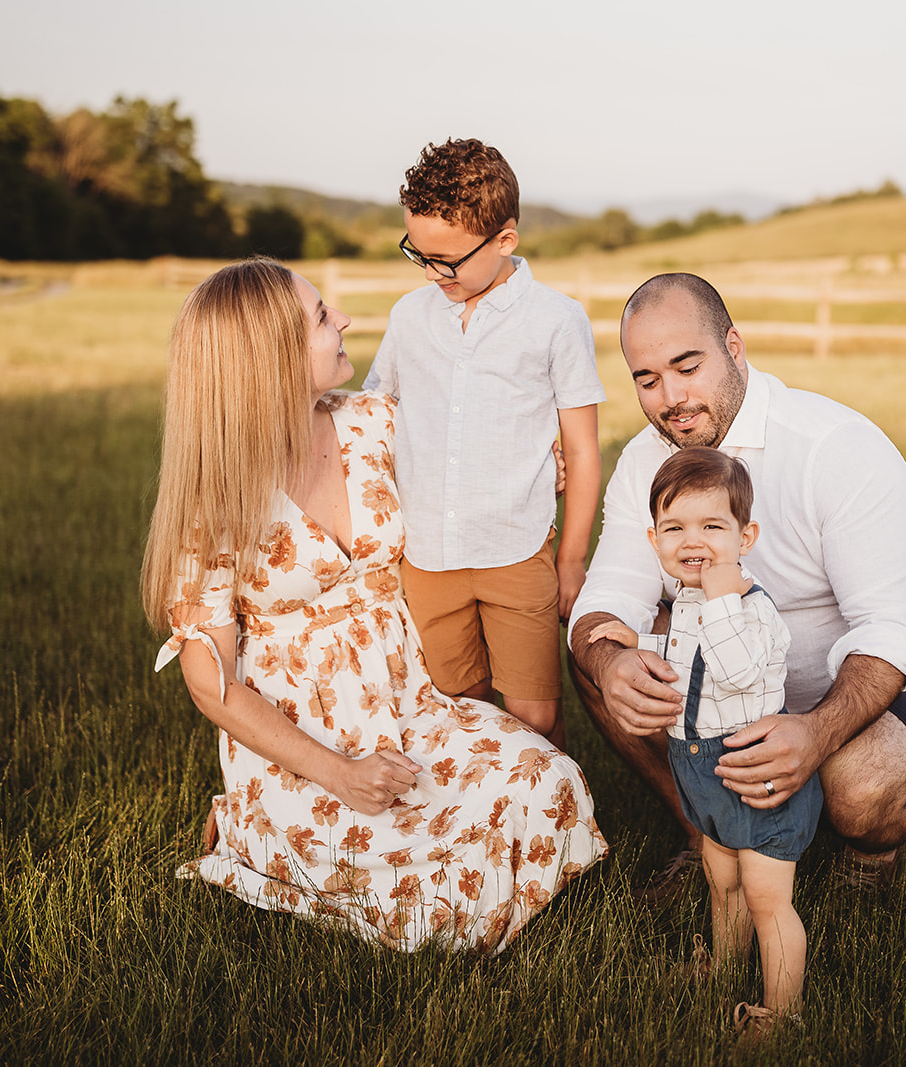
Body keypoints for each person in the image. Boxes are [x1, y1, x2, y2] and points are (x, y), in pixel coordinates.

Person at [143, 258, 605, 952]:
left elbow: (472, 459)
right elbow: (214, 685)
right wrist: (341, 775)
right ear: (270, 358)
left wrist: (545, 462)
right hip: (307, 743)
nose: (345, 322)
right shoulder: (214, 502)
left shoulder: (371, 424)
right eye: (323, 317)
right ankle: (252, 822)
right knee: (433, 903)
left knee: (552, 782)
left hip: (414, 703)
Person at [568, 273, 906, 892]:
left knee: (857, 791)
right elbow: (606, 598)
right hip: (733, 689)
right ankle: (706, 832)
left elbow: (891, 633)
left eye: (687, 367)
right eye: (646, 380)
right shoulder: (643, 462)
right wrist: (608, 665)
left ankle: (869, 857)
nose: (669, 398)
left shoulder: (836, 447)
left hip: (879, 692)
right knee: (598, 652)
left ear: (734, 348)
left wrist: (816, 733)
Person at [364, 138, 604, 748]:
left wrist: (571, 560)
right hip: (425, 554)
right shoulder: (409, 317)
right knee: (453, 709)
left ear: (504, 240)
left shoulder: (556, 320)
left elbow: (580, 451)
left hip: (517, 549)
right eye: (418, 256)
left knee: (535, 718)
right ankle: (475, 835)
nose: (431, 273)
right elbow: (374, 415)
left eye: (447, 261)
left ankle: (548, 826)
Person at [586, 447, 811, 1034]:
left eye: (713, 527)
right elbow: (691, 659)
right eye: (675, 528)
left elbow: (735, 668)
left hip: (752, 772)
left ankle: (782, 1012)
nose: (694, 541)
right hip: (700, 769)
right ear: (655, 539)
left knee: (766, 898)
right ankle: (725, 970)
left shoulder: (750, 610)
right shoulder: (690, 602)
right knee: (723, 883)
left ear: (746, 535)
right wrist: (635, 638)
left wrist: (720, 597)